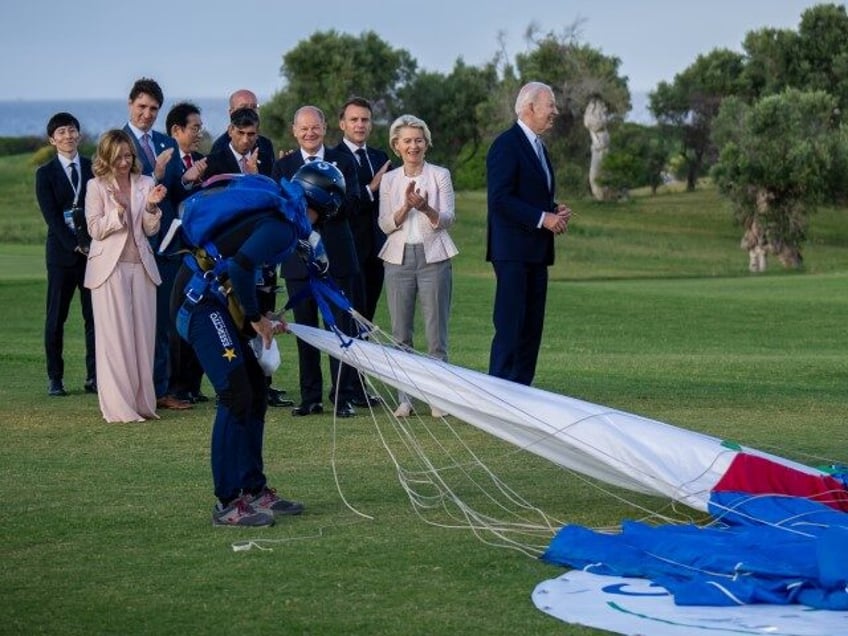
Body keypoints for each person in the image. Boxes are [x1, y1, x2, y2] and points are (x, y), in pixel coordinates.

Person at [173, 162, 346, 526]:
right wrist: (255, 319)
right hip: (200, 300)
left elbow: (249, 272)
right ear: (326, 203)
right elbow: (240, 267)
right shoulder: (283, 225)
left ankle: (253, 490)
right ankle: (227, 502)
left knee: (253, 387)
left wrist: (262, 316)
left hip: (215, 299)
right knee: (235, 392)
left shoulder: (282, 215)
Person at [272, 105, 362, 418]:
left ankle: (343, 397)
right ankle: (310, 397)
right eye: (304, 128)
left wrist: (321, 207)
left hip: (337, 256)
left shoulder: (344, 160)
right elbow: (279, 207)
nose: (310, 133)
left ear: (325, 128)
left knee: (341, 330)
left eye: (315, 127)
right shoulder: (283, 165)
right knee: (306, 329)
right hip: (298, 260)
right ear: (295, 131)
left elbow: (352, 203)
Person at [486, 81, 572, 386]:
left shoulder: (539, 147)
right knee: (511, 325)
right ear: (530, 107)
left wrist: (552, 210)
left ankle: (522, 391)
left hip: (536, 252)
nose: (555, 112)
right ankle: (497, 392)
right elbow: (500, 199)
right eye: (551, 105)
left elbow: (526, 195)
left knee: (531, 327)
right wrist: (541, 217)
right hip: (512, 252)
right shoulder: (506, 145)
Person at [84, 129, 166, 422]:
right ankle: (120, 409)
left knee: (143, 339)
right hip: (109, 269)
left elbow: (151, 229)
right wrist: (116, 212)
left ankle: (143, 404)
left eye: (128, 156)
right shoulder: (95, 186)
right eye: (118, 157)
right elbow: (94, 228)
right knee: (115, 340)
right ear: (106, 157)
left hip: (142, 266)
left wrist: (153, 206)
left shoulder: (145, 183)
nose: (123, 162)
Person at [378, 115, 458, 418]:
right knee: (400, 334)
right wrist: (406, 208)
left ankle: (439, 399)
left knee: (436, 333)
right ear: (397, 146)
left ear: (426, 144)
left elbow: (448, 218)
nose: (413, 146)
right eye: (407, 141)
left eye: (418, 140)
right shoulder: (389, 180)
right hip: (398, 260)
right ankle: (405, 399)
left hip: (434, 258)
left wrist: (425, 207)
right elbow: (385, 224)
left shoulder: (440, 175)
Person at [122, 77, 190, 411]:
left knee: (163, 322)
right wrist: (157, 174)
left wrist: (186, 179)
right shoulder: (117, 142)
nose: (147, 114)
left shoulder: (166, 141)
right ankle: (130, 390)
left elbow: (175, 191)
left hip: (166, 245)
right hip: (130, 246)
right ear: (130, 105)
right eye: (142, 107)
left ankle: (160, 389)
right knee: (131, 322)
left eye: (153, 109)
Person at [35, 112, 96, 397]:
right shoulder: (45, 174)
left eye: (71, 130)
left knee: (93, 317)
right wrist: (75, 244)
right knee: (56, 317)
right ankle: (55, 378)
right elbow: (52, 218)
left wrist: (90, 244)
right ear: (52, 139)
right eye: (61, 132)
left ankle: (93, 376)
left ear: (78, 135)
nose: (67, 136)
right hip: (61, 255)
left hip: (93, 254)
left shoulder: (92, 167)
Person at [163, 101, 208, 403]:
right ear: (176, 130)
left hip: (201, 252)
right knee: (175, 320)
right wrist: (186, 179)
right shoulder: (166, 162)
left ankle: (194, 383)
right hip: (173, 251)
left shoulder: (203, 160)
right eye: (194, 128)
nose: (198, 133)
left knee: (197, 316)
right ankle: (175, 386)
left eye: (200, 128)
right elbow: (164, 193)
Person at [335, 97, 392, 322]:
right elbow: (341, 203)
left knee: (367, 318)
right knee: (349, 317)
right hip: (347, 250)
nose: (360, 125)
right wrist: (371, 188)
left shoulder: (381, 157)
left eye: (365, 120)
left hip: (377, 250)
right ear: (342, 124)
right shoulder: (333, 159)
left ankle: (364, 358)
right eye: (354, 119)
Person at [209, 89, 275, 172]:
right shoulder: (219, 147)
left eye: (254, 107)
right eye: (243, 107)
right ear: (231, 112)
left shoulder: (265, 145)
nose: (249, 112)